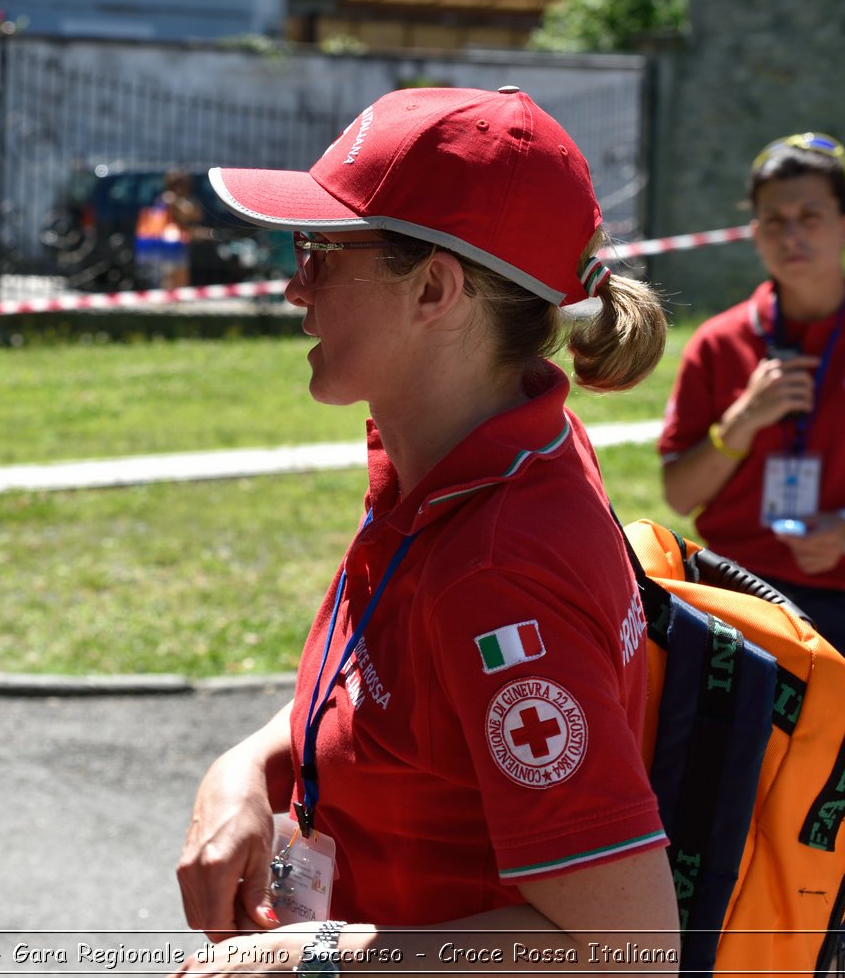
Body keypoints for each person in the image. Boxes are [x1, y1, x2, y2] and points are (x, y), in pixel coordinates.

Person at [174, 86, 680, 975]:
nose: (295, 285)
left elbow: (629, 950)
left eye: (323, 252)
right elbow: (390, 694)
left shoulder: (499, 564)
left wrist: (316, 960)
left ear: (435, 289)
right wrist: (248, 765)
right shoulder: (462, 461)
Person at [656, 132, 845, 970]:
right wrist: (741, 423)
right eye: (773, 219)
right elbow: (683, 494)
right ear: (752, 231)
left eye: (811, 216)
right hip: (737, 608)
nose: (792, 234)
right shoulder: (722, 345)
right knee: (721, 798)